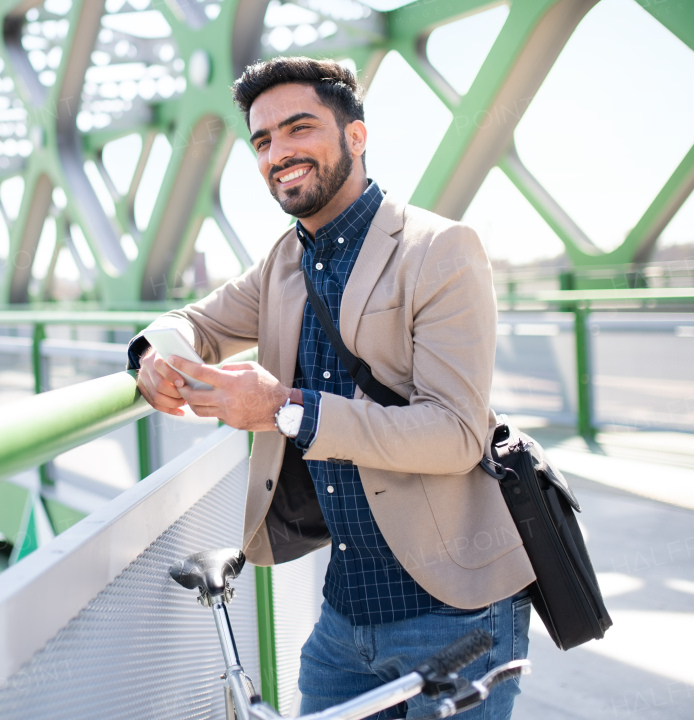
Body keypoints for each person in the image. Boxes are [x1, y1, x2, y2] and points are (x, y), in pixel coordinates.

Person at [129, 57, 534, 719]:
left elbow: (456, 433)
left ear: (356, 136)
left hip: (457, 613)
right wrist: (150, 354)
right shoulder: (283, 263)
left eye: (298, 128)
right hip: (345, 620)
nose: (278, 153)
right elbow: (193, 322)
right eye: (262, 142)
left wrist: (284, 409)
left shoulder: (438, 249)